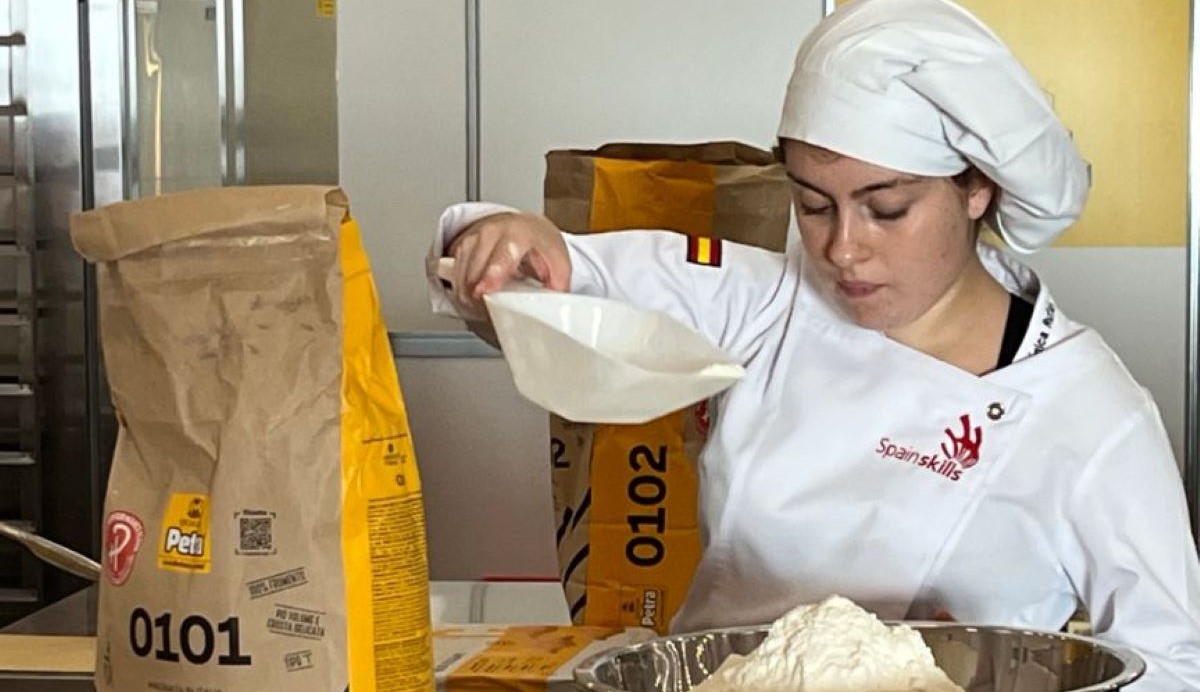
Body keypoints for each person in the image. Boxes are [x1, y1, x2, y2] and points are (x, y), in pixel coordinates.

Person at [425, 0, 1200, 687]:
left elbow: (1174, 661)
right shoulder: (770, 302)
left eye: (886, 209)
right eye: (813, 205)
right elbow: (569, 280)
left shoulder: (1087, 408)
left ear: (976, 188)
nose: (843, 250)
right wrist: (510, 248)